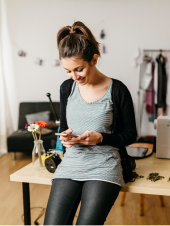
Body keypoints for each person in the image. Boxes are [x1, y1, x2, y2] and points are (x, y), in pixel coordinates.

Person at [43, 21, 137, 226]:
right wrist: (66, 138)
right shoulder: (67, 88)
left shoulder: (118, 90)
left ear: (94, 59)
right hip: (71, 164)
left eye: (79, 69)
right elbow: (64, 126)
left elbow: (130, 134)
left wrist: (102, 137)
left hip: (104, 166)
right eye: (68, 71)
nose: (74, 76)